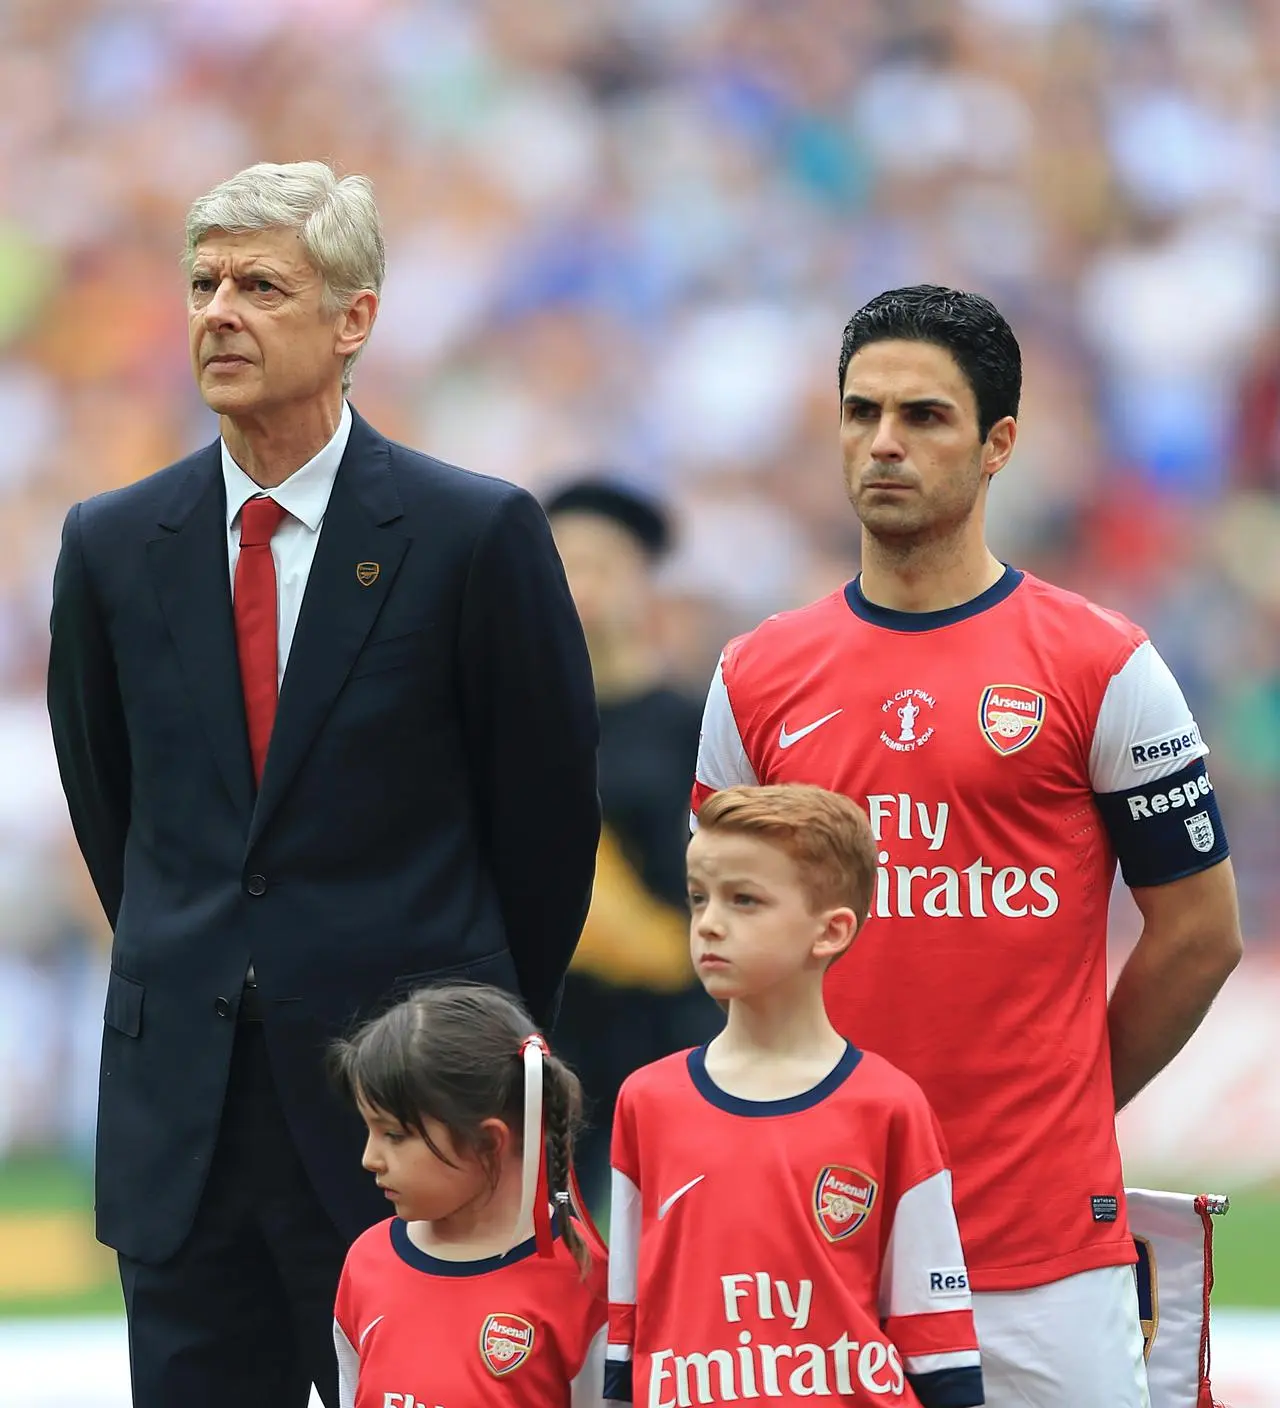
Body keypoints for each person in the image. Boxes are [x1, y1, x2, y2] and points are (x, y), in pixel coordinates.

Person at [45, 161, 599, 1408]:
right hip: (185, 1114)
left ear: (354, 319)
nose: (218, 311)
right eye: (201, 283)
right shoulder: (113, 544)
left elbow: (547, 828)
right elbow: (112, 804)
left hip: (414, 1112)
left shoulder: (472, 535)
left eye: (259, 285)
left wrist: (472, 1058)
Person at [691, 285, 1244, 1406]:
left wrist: (1071, 1103)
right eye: (860, 412)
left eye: (924, 416)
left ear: (997, 444)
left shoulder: (1100, 663)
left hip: (1038, 1257)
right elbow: (724, 938)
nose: (882, 442)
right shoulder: (755, 675)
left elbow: (1198, 936)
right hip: (812, 1247)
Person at [605, 784, 983, 1408]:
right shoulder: (646, 1102)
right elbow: (626, 1329)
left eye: (744, 900)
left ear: (830, 931)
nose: (710, 923)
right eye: (699, 898)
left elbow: (936, 1340)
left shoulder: (888, 1105)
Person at [543, 475, 721, 1209]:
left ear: (645, 583)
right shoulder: (515, 722)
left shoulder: (696, 721)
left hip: (672, 1018)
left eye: (602, 564)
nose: (582, 585)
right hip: (548, 1028)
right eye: (564, 563)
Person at [330, 983, 608, 1407]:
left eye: (395, 1135)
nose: (370, 1158)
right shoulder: (368, 1263)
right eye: (368, 1130)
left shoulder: (585, 1279)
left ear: (488, 1141)